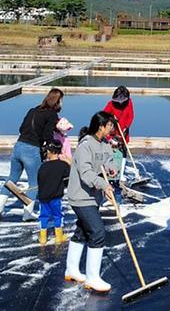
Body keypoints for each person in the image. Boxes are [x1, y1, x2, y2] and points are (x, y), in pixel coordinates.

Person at [0, 88, 64, 221]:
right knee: (34, 184)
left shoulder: (33, 110)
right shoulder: (51, 114)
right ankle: (27, 214)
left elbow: (21, 128)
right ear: (58, 101)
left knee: (11, 179)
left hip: (18, 146)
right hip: (31, 150)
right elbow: (47, 135)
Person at [64, 111, 116, 292]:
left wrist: (112, 169)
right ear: (101, 126)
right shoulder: (85, 146)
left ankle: (71, 270)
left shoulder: (105, 144)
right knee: (97, 232)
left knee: (82, 232)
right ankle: (92, 278)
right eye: (109, 125)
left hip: (93, 196)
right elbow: (86, 174)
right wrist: (103, 185)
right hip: (81, 196)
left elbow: (109, 161)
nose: (112, 128)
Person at [37, 140, 71, 245]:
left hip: (43, 197)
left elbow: (39, 181)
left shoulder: (43, 166)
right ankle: (59, 237)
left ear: (50, 152)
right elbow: (68, 180)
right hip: (55, 197)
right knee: (57, 215)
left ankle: (43, 238)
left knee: (43, 215)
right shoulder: (63, 165)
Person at [103, 86, 134, 185]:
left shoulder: (129, 103)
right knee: (110, 150)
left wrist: (126, 127)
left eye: (122, 100)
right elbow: (103, 117)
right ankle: (109, 171)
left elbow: (131, 116)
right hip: (112, 131)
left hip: (123, 131)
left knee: (123, 150)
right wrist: (111, 119)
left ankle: (121, 174)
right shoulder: (110, 104)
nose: (120, 103)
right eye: (118, 100)